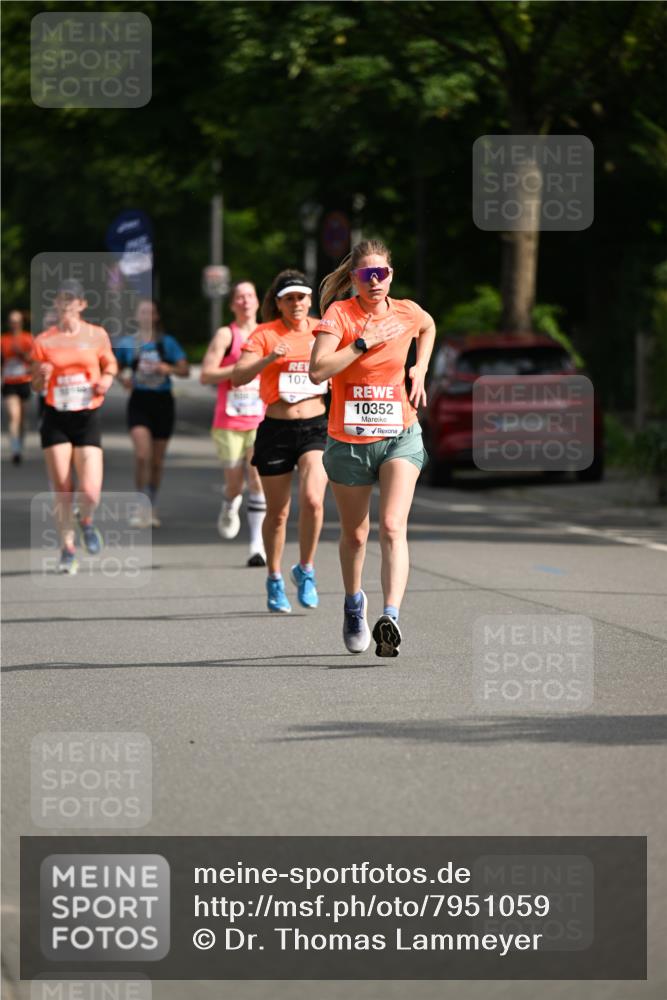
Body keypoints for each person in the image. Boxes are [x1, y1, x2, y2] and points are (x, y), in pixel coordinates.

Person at [310, 238, 436, 657]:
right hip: (348, 442)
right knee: (356, 534)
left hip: (400, 434)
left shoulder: (406, 311)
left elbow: (428, 326)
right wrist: (362, 342)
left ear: (391, 276)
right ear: (354, 279)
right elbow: (317, 371)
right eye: (367, 275)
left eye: (382, 273)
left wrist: (419, 367)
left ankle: (391, 617)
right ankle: (353, 604)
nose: (376, 281)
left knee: (393, 526)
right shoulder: (340, 315)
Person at [231, 270, 328, 613]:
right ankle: (274, 577)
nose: (297, 303)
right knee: (278, 513)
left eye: (301, 297)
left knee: (314, 500)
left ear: (310, 299)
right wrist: (270, 358)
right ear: (278, 302)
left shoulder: (323, 330)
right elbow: (237, 376)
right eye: (289, 298)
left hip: (316, 426)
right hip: (276, 428)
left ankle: (305, 569)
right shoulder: (265, 334)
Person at [30, 279, 118, 574]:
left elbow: (111, 365)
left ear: (82, 304)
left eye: (72, 299)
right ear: (56, 304)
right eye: (61, 299)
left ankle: (87, 520)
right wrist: (41, 376)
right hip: (56, 417)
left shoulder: (96, 335)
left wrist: (105, 380)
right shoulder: (44, 340)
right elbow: (34, 385)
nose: (66, 304)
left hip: (87, 417)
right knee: (63, 490)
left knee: (90, 491)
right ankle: (67, 549)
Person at [200, 280, 267, 566]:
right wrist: (239, 370)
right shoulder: (226, 335)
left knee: (257, 480)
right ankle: (229, 503)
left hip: (260, 419)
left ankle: (256, 545)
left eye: (250, 295)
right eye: (239, 297)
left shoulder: (268, 334)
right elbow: (206, 375)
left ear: (257, 301)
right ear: (232, 305)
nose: (245, 301)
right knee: (235, 484)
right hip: (228, 421)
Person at [114, 300, 189, 527]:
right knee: (141, 455)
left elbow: (185, 370)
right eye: (143, 312)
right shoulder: (129, 343)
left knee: (157, 461)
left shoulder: (167, 344)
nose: (147, 316)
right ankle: (141, 505)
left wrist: (170, 369)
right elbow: (113, 366)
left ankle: (152, 505)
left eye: (151, 312)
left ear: (156, 316)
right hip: (139, 401)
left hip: (163, 403)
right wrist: (123, 379)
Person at [1, 309, 33, 464]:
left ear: (21, 323)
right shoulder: (3, 340)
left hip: (24, 381)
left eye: (17, 321)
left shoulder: (27, 339)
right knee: (14, 416)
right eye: (11, 321)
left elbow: (34, 360)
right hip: (9, 382)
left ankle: (21, 443)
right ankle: (15, 449)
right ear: (8, 323)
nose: (14, 324)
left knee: (22, 419)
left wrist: (21, 353)